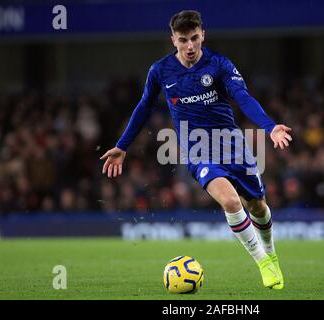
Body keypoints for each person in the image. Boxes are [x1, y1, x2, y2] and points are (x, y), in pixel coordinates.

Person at [100, 10, 292, 289]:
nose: (189, 46)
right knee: (230, 202)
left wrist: (270, 127)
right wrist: (122, 145)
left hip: (233, 147)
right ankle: (263, 262)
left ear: (203, 35)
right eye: (183, 40)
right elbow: (144, 107)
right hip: (197, 150)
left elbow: (243, 97)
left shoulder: (220, 65)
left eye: (194, 38)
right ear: (173, 40)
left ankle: (271, 254)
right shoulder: (160, 71)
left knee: (258, 208)